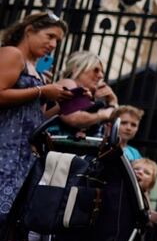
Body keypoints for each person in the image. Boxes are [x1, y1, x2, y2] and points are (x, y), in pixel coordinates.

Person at [0, 12, 71, 229]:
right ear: (29, 30)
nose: (53, 44)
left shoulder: (38, 71)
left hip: (21, 157)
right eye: (49, 36)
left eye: (57, 41)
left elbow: (37, 117)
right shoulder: (12, 54)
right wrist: (42, 90)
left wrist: (67, 101)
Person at [53, 51, 118, 135]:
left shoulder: (87, 95)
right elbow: (72, 118)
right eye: (96, 70)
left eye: (102, 72)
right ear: (77, 69)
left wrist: (113, 101)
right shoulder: (68, 83)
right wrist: (101, 115)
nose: (101, 75)